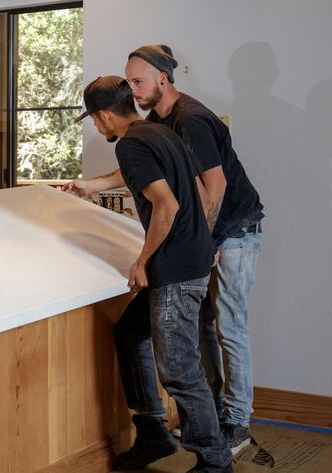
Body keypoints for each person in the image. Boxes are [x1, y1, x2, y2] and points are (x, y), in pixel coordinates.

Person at [65, 76, 232, 472]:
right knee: (129, 333)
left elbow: (166, 205)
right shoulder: (158, 132)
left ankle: (214, 461)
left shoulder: (130, 144)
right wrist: (91, 185)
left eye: (95, 119)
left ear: (105, 116)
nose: (97, 126)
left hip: (175, 268)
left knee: (179, 370)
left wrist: (142, 261)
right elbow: (180, 184)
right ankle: (153, 431)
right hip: (191, 259)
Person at [126, 44, 264, 454]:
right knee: (202, 325)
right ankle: (213, 418)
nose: (133, 90)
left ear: (162, 78)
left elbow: (216, 186)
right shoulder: (157, 120)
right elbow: (148, 167)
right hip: (211, 235)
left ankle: (237, 423)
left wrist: (205, 242)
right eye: (129, 82)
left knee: (230, 325)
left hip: (235, 231)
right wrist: (91, 185)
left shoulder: (192, 119)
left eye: (138, 81)